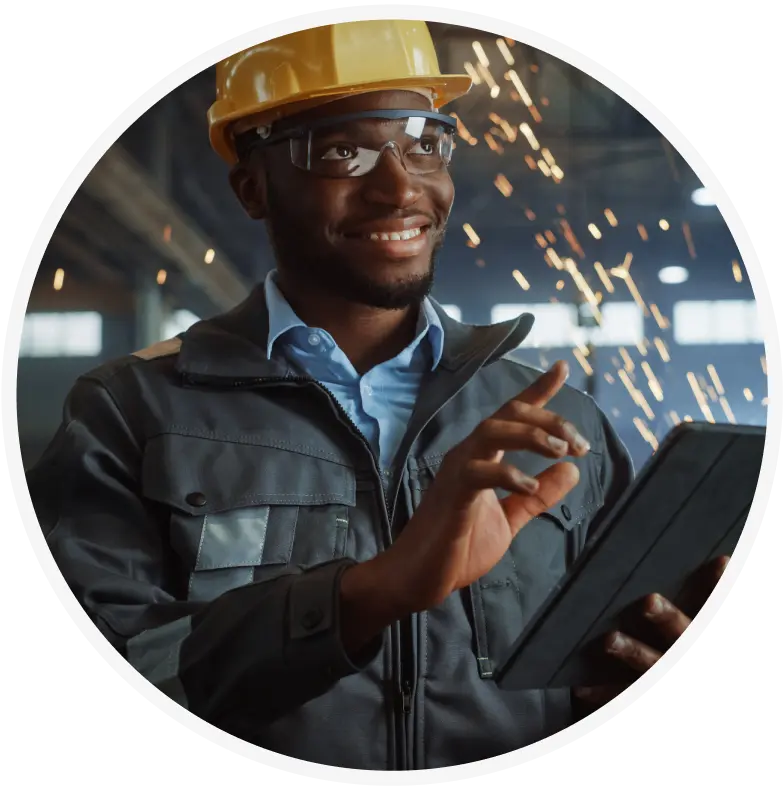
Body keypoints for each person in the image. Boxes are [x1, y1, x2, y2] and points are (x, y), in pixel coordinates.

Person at [26, 20, 727, 771]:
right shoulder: (131, 414)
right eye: (340, 152)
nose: (400, 187)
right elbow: (131, 664)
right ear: (252, 187)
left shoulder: (554, 421)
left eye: (425, 142)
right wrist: (367, 595)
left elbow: (615, 657)